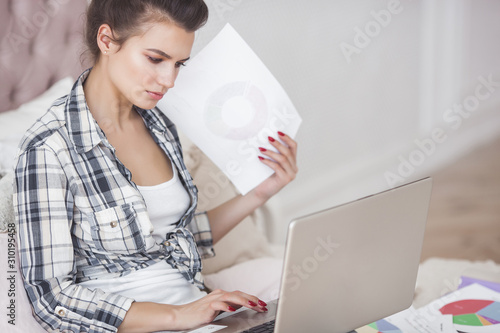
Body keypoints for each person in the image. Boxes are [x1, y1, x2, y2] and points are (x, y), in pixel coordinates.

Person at [13, 0, 298, 332]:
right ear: (106, 41)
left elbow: (177, 239)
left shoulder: (158, 124)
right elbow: (54, 299)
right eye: (156, 59)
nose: (169, 80)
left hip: (198, 312)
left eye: (179, 64)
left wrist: (261, 191)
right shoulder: (49, 148)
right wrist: (179, 315)